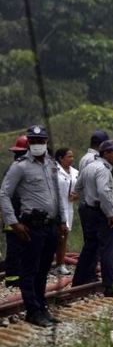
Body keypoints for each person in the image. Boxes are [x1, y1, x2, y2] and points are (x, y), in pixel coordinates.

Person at [0, 125, 68, 327]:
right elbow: (4, 194)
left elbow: (57, 196)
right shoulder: (19, 166)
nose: (38, 145)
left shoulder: (52, 165)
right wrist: (14, 222)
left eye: (41, 141)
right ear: (29, 143)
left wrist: (63, 220)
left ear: (46, 142)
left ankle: (41, 306)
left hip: (51, 226)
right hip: (32, 227)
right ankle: (32, 310)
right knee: (29, 270)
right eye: (34, 141)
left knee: (44, 269)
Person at [72, 140, 113, 297]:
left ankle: (79, 280)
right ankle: (110, 285)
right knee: (107, 249)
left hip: (89, 210)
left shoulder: (89, 167)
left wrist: (88, 196)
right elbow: (103, 192)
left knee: (90, 246)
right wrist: (110, 214)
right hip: (102, 212)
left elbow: (77, 187)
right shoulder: (103, 170)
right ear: (106, 153)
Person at [3, 135, 29, 288]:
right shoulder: (17, 170)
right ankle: (13, 279)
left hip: (13, 216)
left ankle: (16, 276)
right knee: (16, 249)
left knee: (17, 248)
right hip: (16, 216)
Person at [54, 148, 79, 276]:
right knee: (56, 237)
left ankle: (60, 264)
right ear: (60, 158)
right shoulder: (54, 171)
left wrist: (77, 195)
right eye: (69, 156)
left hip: (69, 208)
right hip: (56, 209)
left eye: (72, 156)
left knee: (64, 236)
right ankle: (54, 263)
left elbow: (80, 188)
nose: (71, 159)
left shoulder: (75, 172)